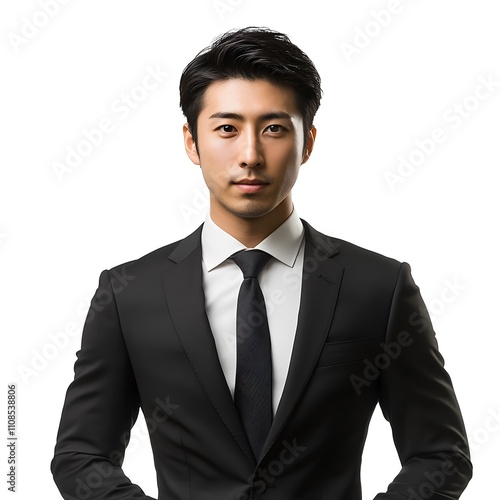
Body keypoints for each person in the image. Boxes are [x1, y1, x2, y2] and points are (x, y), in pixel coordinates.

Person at [51, 27, 472, 500]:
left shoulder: (380, 286)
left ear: (307, 142)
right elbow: (80, 456)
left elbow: (441, 455)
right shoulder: (129, 293)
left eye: (274, 129)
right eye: (226, 128)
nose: (250, 155)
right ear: (192, 142)